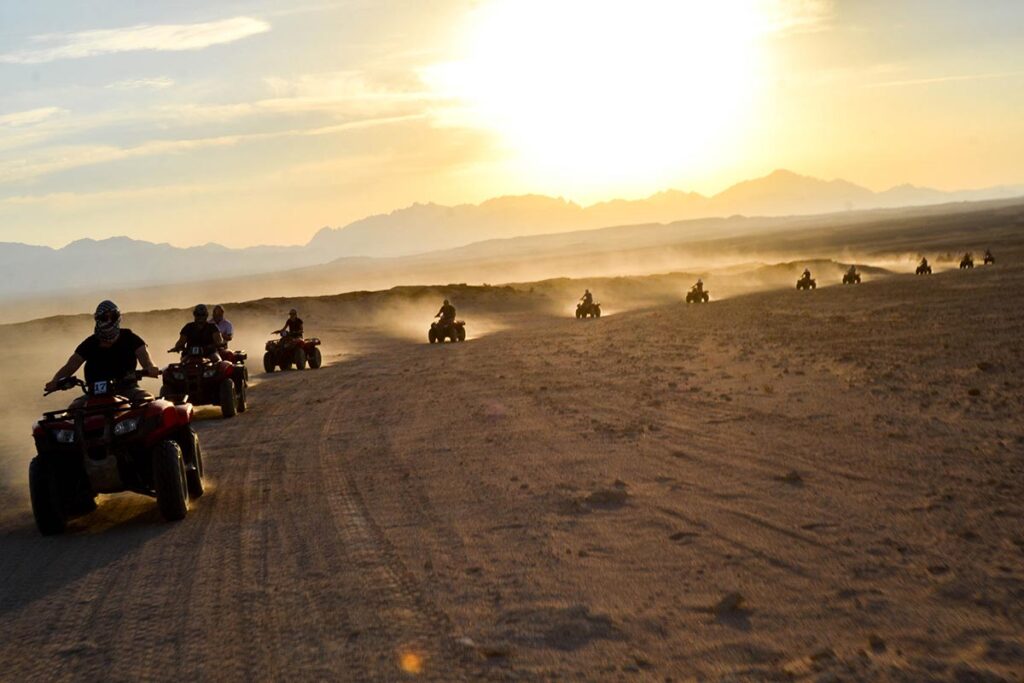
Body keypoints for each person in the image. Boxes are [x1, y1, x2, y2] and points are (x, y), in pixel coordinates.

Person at [45, 300, 159, 404]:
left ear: (118, 318)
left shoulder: (130, 338)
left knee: (147, 401)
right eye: (104, 318)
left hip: (127, 389)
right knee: (75, 409)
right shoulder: (90, 343)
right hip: (94, 393)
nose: (109, 321)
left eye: (113, 317)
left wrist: (150, 368)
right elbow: (71, 365)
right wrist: (56, 381)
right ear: (98, 320)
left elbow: (145, 358)